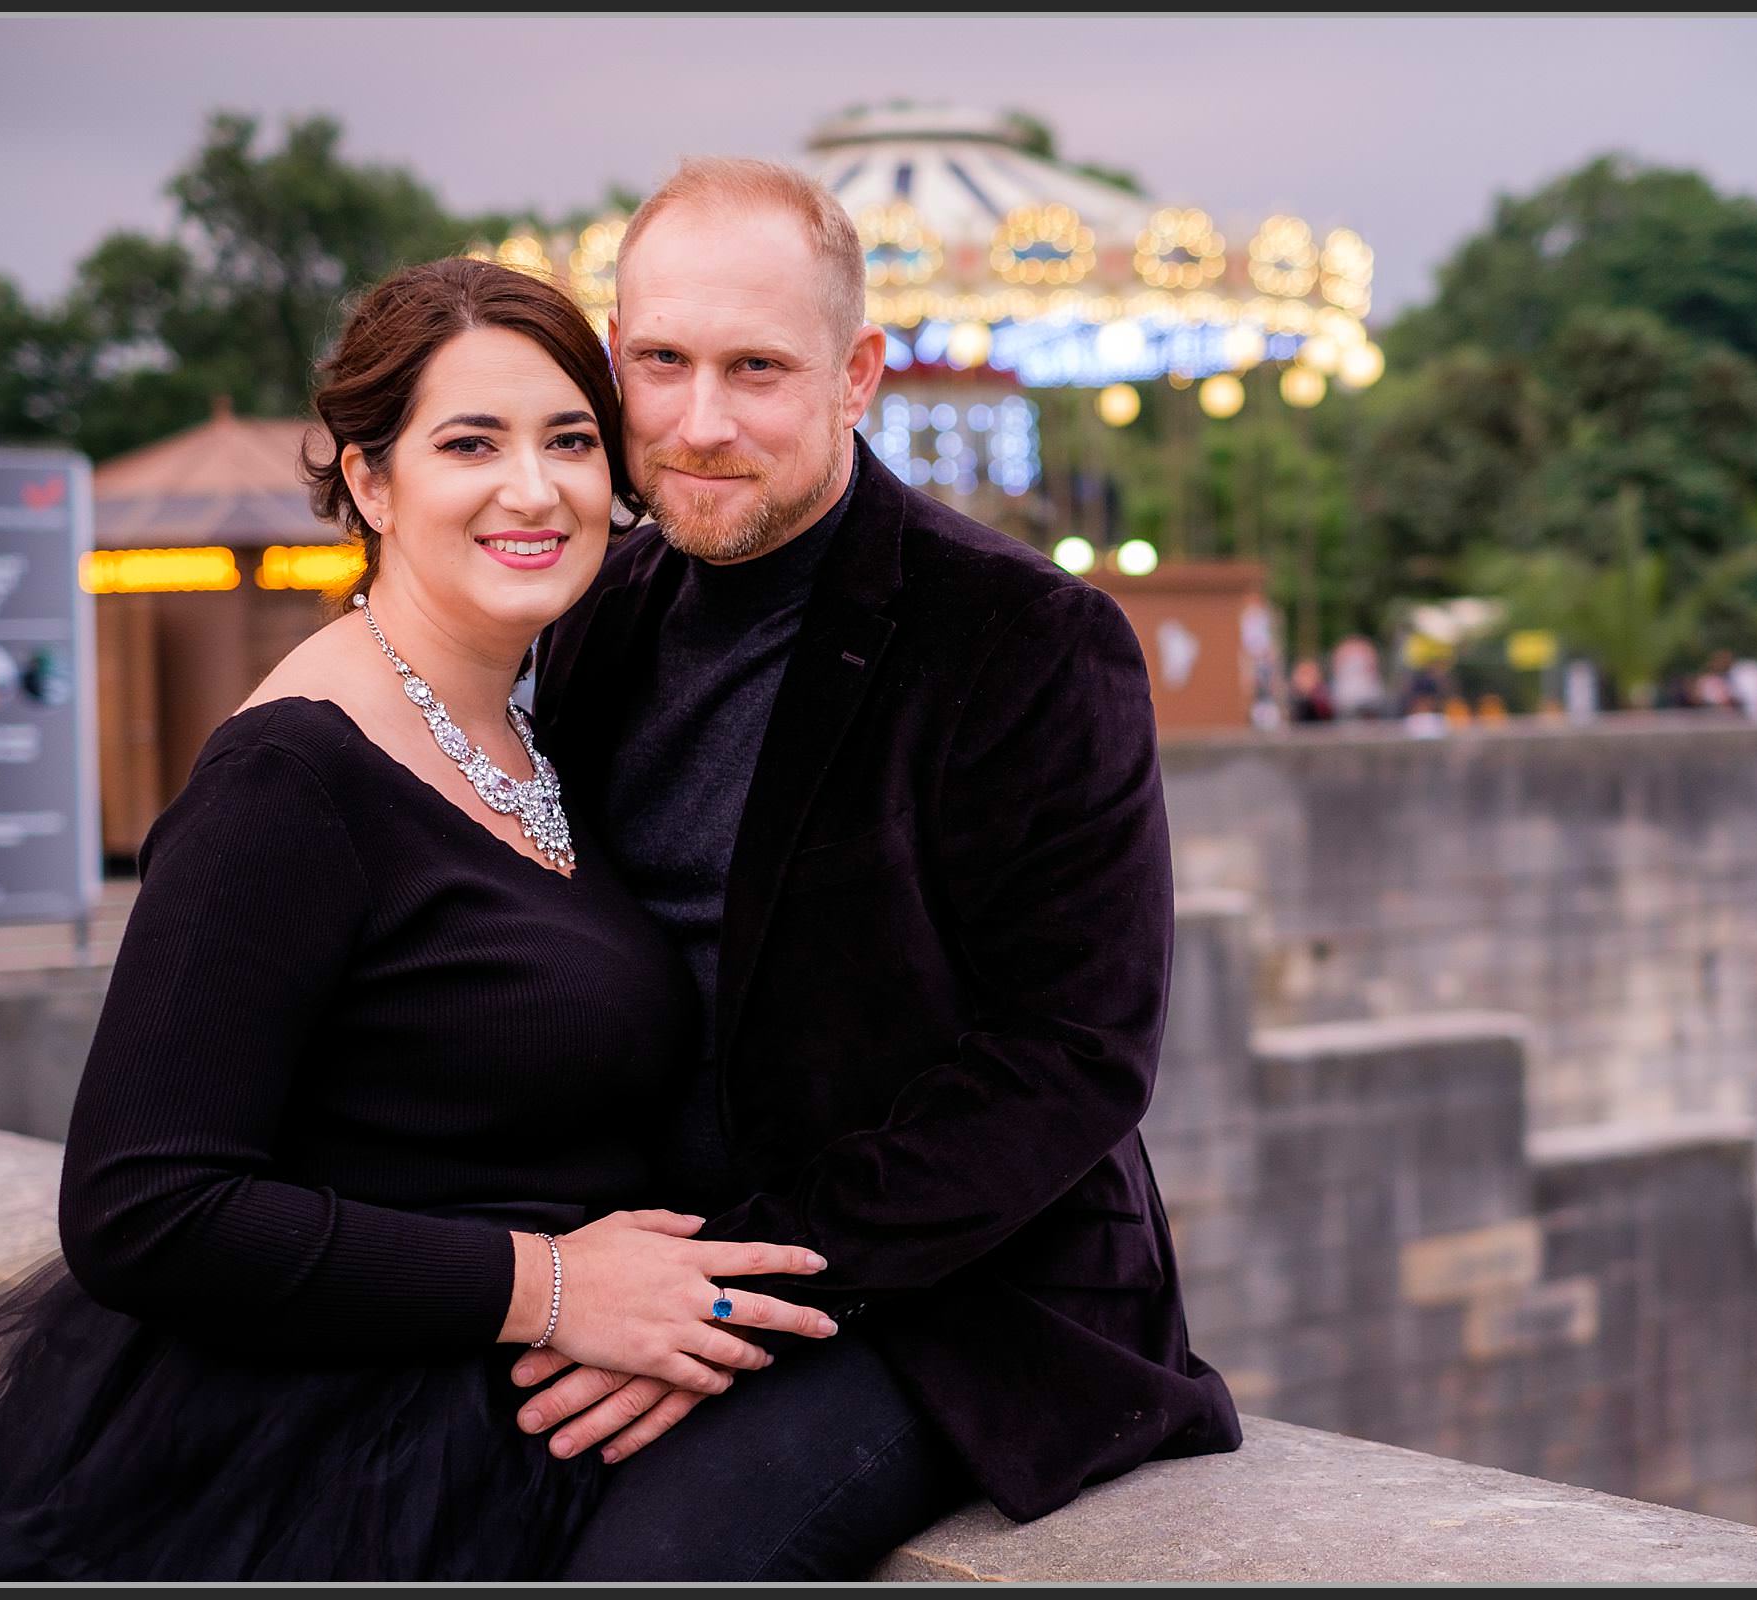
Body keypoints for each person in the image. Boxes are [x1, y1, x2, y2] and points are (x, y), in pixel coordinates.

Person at [0, 257, 842, 1581]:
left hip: (502, 1433)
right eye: (472, 443)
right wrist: (554, 1287)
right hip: (332, 1468)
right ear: (371, 481)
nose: (534, 488)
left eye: (570, 441)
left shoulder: (531, 726)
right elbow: (142, 1205)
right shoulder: (292, 774)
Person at [523, 157, 1241, 1576]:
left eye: (757, 369)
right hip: (641, 1257)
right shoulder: (593, 612)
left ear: (857, 376)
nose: (701, 420)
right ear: (615, 362)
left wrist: (726, 1297)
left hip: (954, 1295)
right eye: (661, 362)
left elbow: (1074, 1057)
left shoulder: (1027, 638)